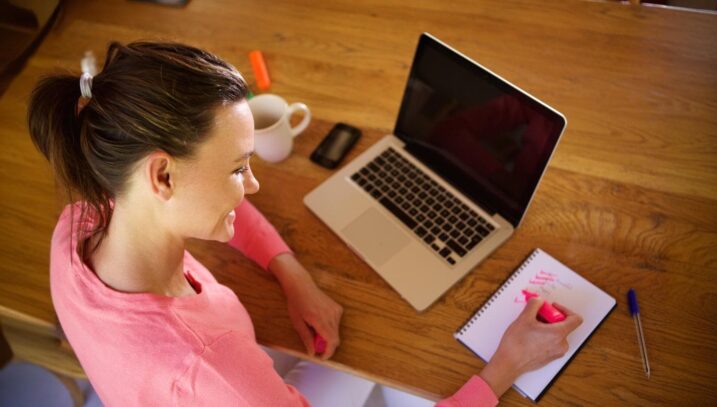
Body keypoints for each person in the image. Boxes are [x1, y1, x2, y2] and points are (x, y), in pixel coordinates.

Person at [27, 41, 582, 406]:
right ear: (163, 176)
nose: (252, 186)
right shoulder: (210, 366)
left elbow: (216, 204)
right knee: (388, 375)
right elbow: (221, 376)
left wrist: (293, 275)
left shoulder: (83, 221)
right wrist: (504, 367)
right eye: (237, 168)